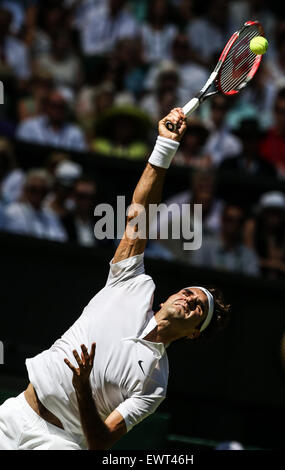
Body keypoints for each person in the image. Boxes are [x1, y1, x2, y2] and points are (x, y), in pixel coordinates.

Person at [0, 109, 229, 450]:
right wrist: (164, 147)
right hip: (16, 412)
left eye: (198, 308)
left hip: (59, 444)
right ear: (166, 299)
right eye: (188, 292)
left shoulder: (154, 383)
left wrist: (82, 391)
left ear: (194, 333)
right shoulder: (134, 284)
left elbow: (100, 441)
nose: (188, 299)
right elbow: (140, 212)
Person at [191, 204, 260, 276]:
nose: (234, 224)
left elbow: (252, 281)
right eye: (229, 219)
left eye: (239, 221)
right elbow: (195, 275)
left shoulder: (249, 255)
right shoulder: (204, 247)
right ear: (222, 220)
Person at [2, 168, 67, 242]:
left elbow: (61, 238)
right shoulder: (11, 213)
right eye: (33, 190)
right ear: (25, 189)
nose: (37, 194)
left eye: (42, 190)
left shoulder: (52, 216)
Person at [243, 191, 285, 279]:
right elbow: (247, 257)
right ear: (263, 213)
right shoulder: (252, 227)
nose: (273, 217)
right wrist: (276, 265)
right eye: (270, 212)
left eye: (277, 213)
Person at [16, 90, 88, 152]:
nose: (57, 110)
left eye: (61, 106)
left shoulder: (75, 132)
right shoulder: (28, 127)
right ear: (46, 107)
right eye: (53, 106)